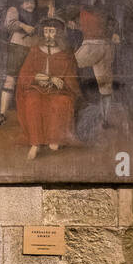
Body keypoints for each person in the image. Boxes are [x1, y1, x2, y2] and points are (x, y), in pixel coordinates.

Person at [16, 16, 81, 160]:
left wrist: (62, 82)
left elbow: (73, 80)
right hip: (36, 88)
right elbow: (24, 74)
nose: (48, 35)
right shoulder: (35, 51)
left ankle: (54, 138)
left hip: (60, 90)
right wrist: (38, 77)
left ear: (58, 33)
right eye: (46, 31)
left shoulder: (67, 54)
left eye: (52, 31)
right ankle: (35, 143)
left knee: (62, 101)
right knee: (32, 100)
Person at [72, 0, 121, 128]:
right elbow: (113, 26)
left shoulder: (83, 11)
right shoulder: (106, 14)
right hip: (107, 48)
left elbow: (78, 25)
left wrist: (75, 25)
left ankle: (70, 113)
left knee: (67, 65)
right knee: (105, 87)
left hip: (91, 47)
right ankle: (105, 119)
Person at [0, 0, 38, 128]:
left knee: (33, 81)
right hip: (17, 48)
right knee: (10, 79)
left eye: (32, 2)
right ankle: (2, 114)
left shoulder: (37, 13)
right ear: (21, 3)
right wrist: (25, 27)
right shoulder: (14, 10)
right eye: (26, 2)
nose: (30, 4)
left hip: (34, 50)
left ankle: (31, 115)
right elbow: (10, 24)